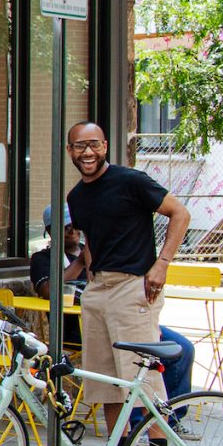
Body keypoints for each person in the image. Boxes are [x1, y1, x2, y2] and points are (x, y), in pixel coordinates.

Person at [61, 122, 191, 427]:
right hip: (98, 291)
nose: (87, 152)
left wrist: (162, 264)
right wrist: (91, 272)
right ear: (70, 151)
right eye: (80, 146)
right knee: (106, 384)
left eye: (94, 144)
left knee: (142, 379)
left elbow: (180, 213)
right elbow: (92, 239)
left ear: (105, 146)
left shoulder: (131, 181)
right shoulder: (76, 197)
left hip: (132, 287)